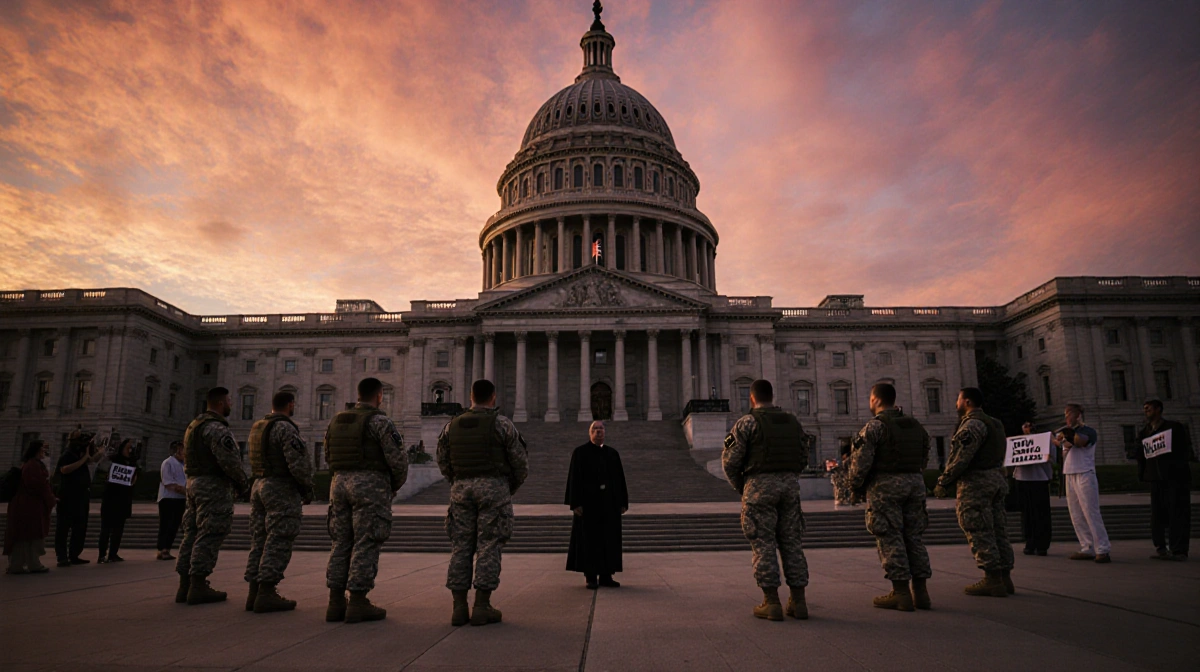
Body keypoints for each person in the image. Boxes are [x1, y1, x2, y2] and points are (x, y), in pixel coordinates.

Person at [436, 379, 528, 627]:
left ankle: (458, 607)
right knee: (489, 546)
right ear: (493, 397)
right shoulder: (502, 425)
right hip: (493, 489)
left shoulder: (451, 426)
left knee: (461, 547)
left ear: (471, 397)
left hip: (461, 490)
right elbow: (521, 464)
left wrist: (458, 482)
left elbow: (442, 461)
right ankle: (481, 605)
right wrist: (507, 488)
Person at [721, 379, 810, 622]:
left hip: (759, 488)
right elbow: (804, 455)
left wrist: (744, 487)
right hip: (790, 488)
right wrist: (789, 477)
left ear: (751, 398)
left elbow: (729, 462)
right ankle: (799, 601)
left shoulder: (746, 423)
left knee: (764, 544)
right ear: (773, 396)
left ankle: (771, 602)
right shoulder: (793, 423)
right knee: (792, 543)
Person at [324, 377, 408, 624]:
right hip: (370, 485)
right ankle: (358, 601)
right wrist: (392, 486)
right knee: (366, 540)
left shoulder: (336, 421)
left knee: (340, 542)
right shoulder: (380, 422)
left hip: (338, 484)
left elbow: (328, 455)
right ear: (379, 395)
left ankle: (335, 602)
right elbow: (398, 461)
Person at [848, 383, 932, 611]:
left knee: (890, 536)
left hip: (886, 486)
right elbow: (925, 455)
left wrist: (854, 487)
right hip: (915, 484)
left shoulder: (874, 427)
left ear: (875, 399)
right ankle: (922, 593)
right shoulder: (915, 425)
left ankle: (901, 593)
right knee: (914, 537)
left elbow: (860, 464)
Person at [933, 387, 1014, 597]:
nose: (956, 404)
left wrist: (943, 481)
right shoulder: (995, 423)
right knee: (998, 529)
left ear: (967, 402)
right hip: (997, 479)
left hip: (977, 483)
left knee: (978, 527)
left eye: (958, 400)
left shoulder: (972, 425)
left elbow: (961, 457)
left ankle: (992, 578)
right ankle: (1005, 577)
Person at [175, 387, 249, 605]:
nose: (231, 405)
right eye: (228, 400)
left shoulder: (193, 426)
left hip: (193, 484)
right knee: (210, 533)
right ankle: (198, 584)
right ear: (219, 403)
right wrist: (243, 484)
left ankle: (184, 585)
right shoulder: (216, 428)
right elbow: (230, 461)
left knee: (191, 533)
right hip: (213, 487)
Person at [244, 391, 315, 613]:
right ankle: (266, 592)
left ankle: (254, 592)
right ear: (290, 404)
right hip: (280, 488)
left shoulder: (258, 426)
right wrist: (307, 488)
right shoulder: (285, 428)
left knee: (260, 539)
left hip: (259, 486)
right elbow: (298, 463)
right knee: (279, 538)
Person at [565, 420, 628, 589]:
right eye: (595, 429)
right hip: (588, 506)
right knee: (589, 541)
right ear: (590, 433)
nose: (598, 431)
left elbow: (620, 480)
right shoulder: (580, 453)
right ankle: (591, 576)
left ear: (605, 432)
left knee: (608, 539)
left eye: (601, 428)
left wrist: (623, 502)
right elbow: (574, 480)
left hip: (609, 505)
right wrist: (575, 503)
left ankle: (607, 575)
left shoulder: (612, 454)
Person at [1136, 399, 1192, 560]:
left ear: (1158, 409)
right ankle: (1161, 546)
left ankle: (1179, 550)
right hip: (1155, 478)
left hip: (1175, 477)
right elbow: (1140, 454)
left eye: (1149, 409)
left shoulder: (1174, 428)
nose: (1146, 411)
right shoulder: (1145, 432)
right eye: (1145, 409)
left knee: (1178, 512)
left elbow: (1184, 450)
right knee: (1158, 513)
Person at [1053, 403, 1109, 563]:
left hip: (1085, 473)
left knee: (1090, 511)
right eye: (1065, 414)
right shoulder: (1066, 434)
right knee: (1076, 513)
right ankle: (1087, 546)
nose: (1066, 417)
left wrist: (1067, 435)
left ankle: (1102, 548)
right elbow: (1063, 445)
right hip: (1070, 473)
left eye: (1068, 413)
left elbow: (1080, 442)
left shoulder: (1087, 431)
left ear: (1077, 415)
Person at [5, 440, 57, 574]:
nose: (44, 453)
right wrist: (51, 498)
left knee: (24, 537)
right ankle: (32, 563)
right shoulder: (33, 466)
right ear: (36, 451)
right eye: (42, 450)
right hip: (29, 506)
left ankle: (19, 564)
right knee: (30, 537)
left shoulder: (31, 465)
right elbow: (38, 486)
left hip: (28, 505)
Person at [54, 429, 104, 567]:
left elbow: (91, 460)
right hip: (67, 496)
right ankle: (62, 556)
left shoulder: (80, 454)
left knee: (80, 526)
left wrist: (100, 453)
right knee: (63, 527)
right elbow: (64, 469)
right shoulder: (68, 454)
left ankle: (74, 554)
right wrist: (84, 458)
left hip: (82, 496)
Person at [1014, 421, 1054, 557]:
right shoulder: (1018, 441)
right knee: (1027, 513)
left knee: (1041, 513)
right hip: (1022, 478)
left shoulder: (1045, 439)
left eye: (1029, 425)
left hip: (1039, 479)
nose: (1027, 428)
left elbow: (1051, 457)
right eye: (1024, 425)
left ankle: (1042, 545)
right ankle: (1030, 542)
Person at [98, 439, 139, 563]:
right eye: (128, 447)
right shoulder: (113, 460)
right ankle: (101, 555)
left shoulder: (133, 463)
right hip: (110, 497)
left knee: (118, 528)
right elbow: (103, 469)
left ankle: (113, 553)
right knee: (106, 528)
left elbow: (134, 479)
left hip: (124, 498)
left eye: (131, 447)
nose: (130, 449)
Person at [156, 441, 187, 560]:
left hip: (180, 499)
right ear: (178, 450)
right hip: (168, 498)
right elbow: (168, 483)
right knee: (166, 524)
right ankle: (161, 549)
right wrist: (186, 492)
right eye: (184, 449)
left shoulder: (184, 464)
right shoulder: (168, 463)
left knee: (175, 525)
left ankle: (167, 549)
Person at [827, 438, 856, 508]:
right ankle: (841, 500)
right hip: (840, 478)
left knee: (842, 488)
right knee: (840, 488)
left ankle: (843, 499)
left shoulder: (845, 461)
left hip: (842, 478)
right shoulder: (840, 461)